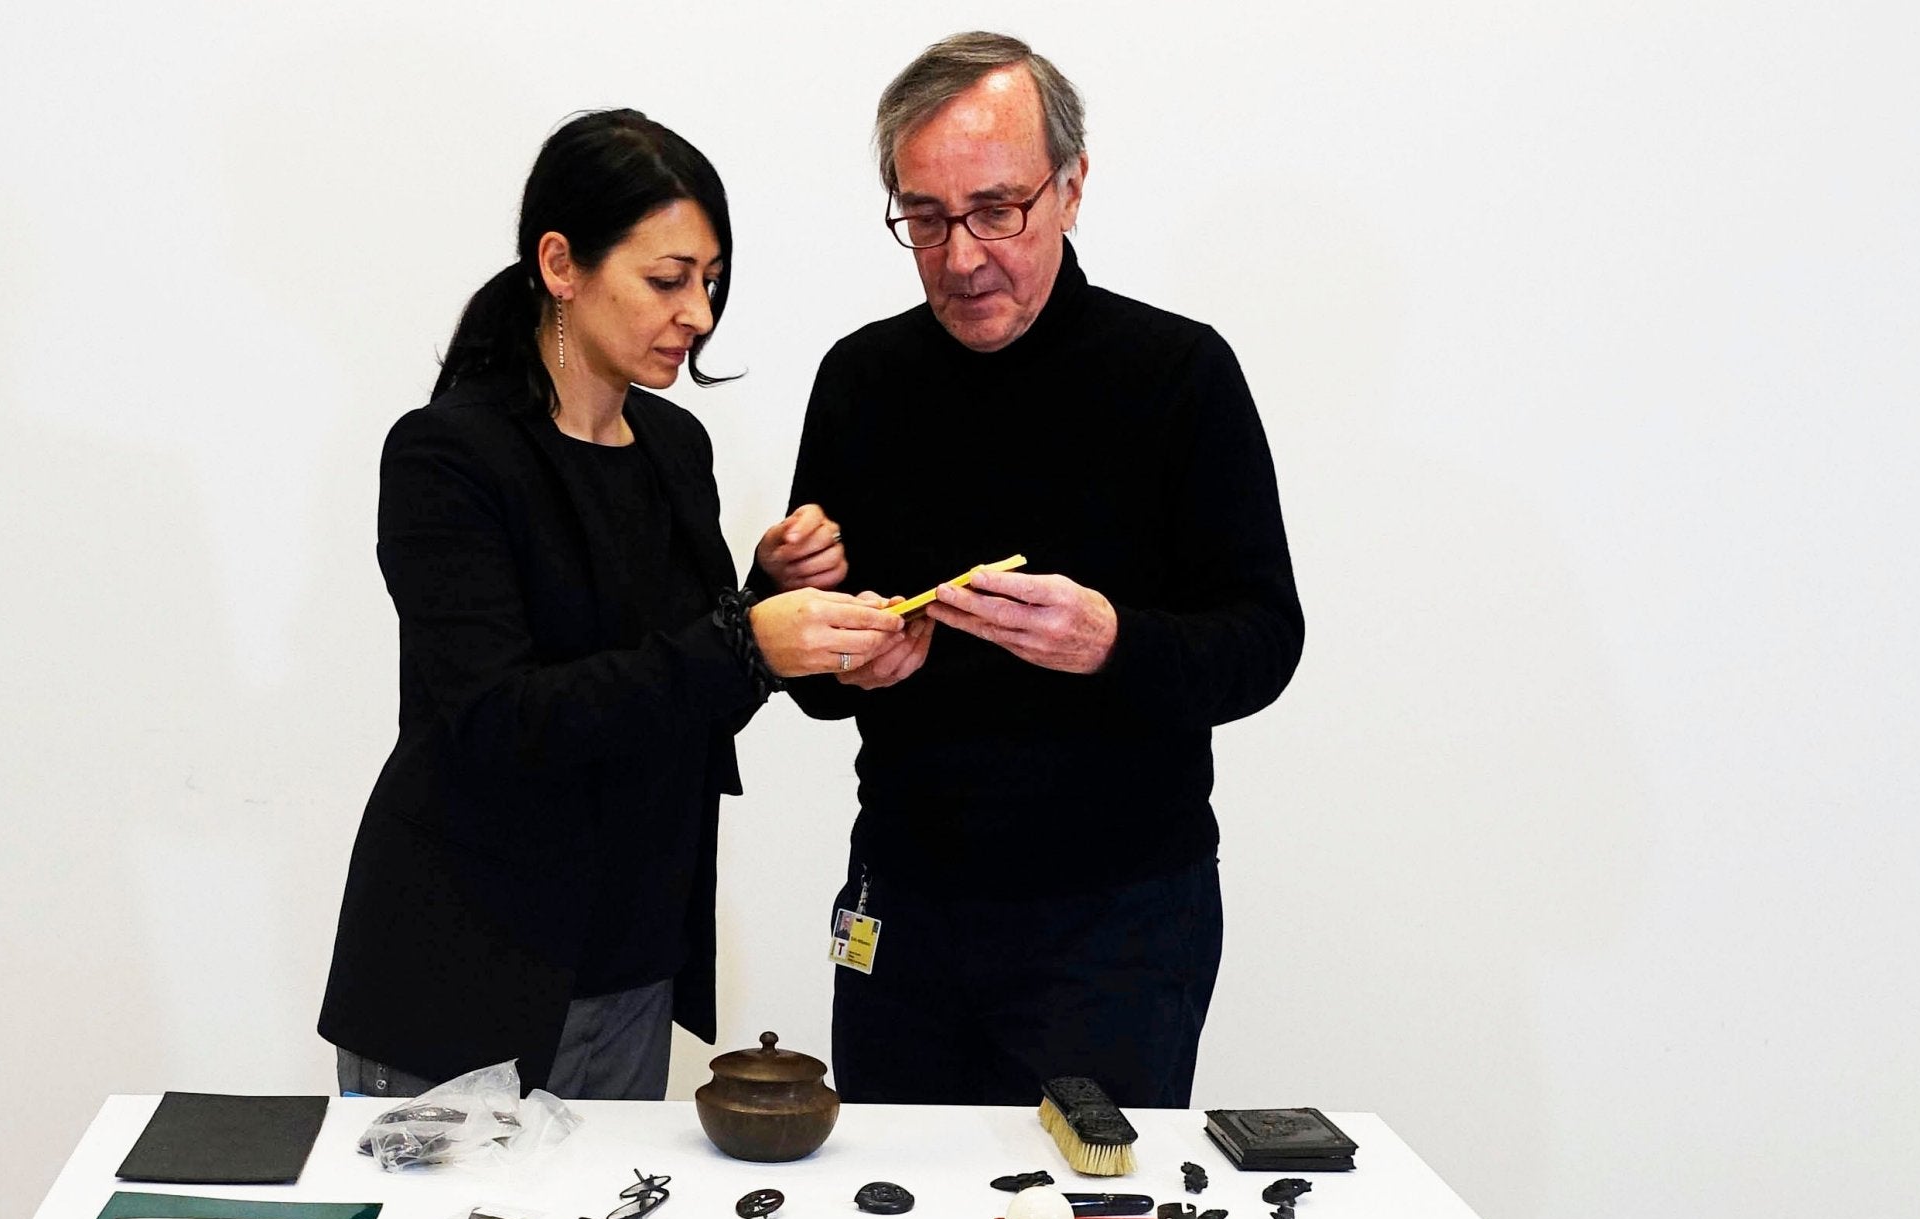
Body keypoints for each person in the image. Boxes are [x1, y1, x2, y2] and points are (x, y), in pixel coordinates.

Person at [765, 32, 1304, 1110]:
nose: (961, 256)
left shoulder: (1177, 375)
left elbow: (1262, 642)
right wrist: (800, 609)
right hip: (904, 902)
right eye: (923, 217)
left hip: (1118, 921)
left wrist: (1112, 642)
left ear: (1070, 187)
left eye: (996, 210)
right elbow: (814, 685)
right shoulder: (862, 379)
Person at [320, 111, 898, 1098]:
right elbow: (499, 718)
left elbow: (674, 679)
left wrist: (772, 593)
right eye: (667, 280)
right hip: (463, 966)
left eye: (709, 281)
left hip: (630, 960)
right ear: (560, 263)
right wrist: (747, 639)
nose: (698, 313)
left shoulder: (675, 449)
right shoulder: (447, 456)